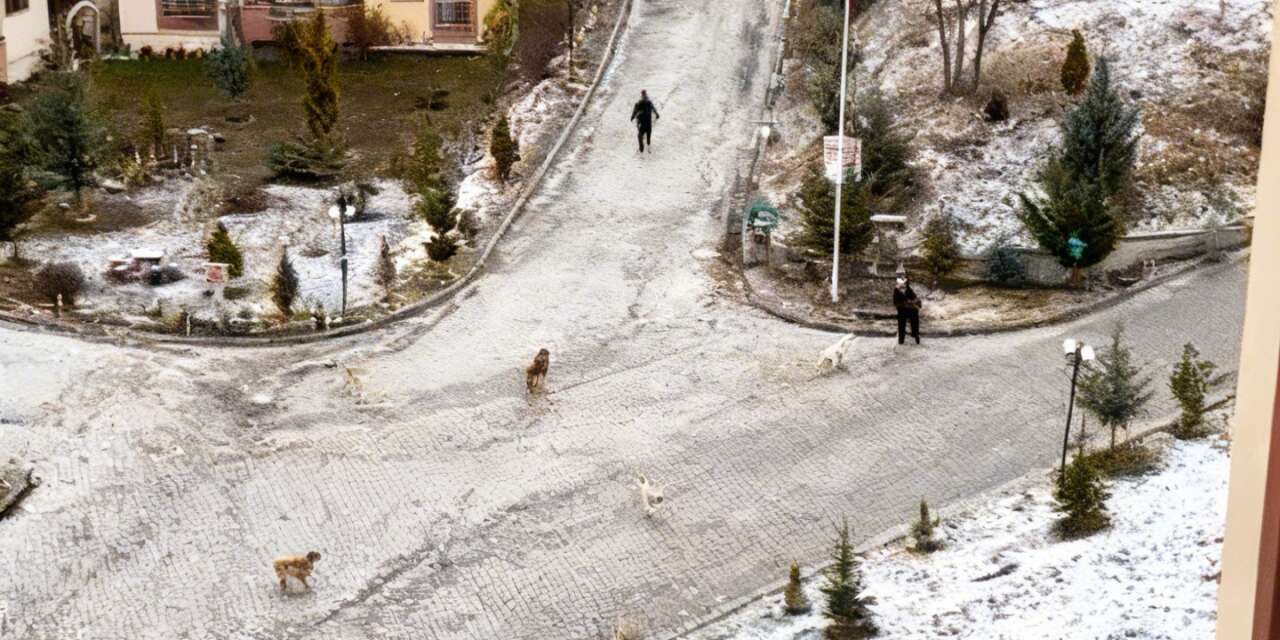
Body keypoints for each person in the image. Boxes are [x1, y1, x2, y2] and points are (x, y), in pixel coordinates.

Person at [893, 276, 921, 345]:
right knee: (901, 328)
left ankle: (915, 336)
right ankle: (901, 341)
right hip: (902, 311)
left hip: (910, 310)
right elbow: (897, 302)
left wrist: (912, 302)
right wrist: (909, 302)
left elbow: (916, 298)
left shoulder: (908, 289)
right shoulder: (896, 291)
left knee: (914, 320)